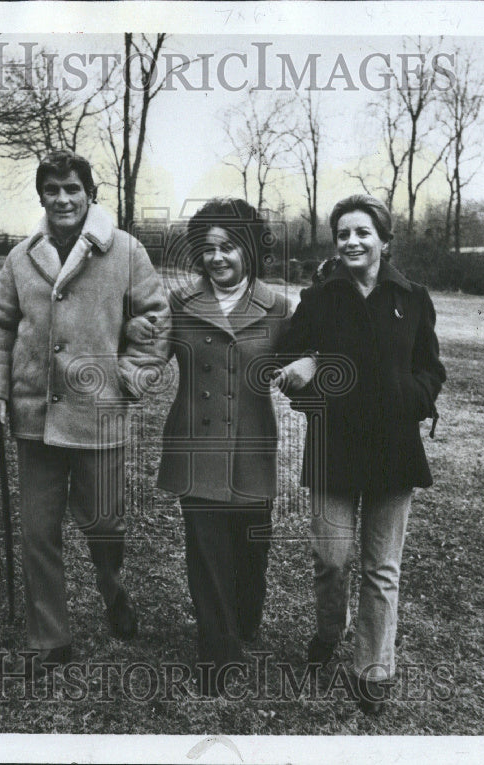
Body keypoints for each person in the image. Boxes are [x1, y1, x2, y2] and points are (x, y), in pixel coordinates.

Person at [0, 149, 170, 662]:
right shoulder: (22, 257)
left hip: (98, 414)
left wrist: (129, 376)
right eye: (52, 190)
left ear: (90, 194)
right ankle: (51, 636)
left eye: (72, 190)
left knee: (104, 523)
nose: (62, 199)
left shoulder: (125, 251)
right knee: (39, 531)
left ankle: (112, 588)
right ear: (41, 195)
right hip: (33, 416)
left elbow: (157, 318)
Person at [273, 194, 446, 715]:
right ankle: (330, 632)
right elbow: (286, 359)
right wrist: (306, 363)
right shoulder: (322, 296)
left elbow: (430, 370)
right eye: (343, 233)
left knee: (381, 568)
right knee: (331, 559)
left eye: (362, 233)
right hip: (334, 446)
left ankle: (373, 668)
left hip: (394, 449)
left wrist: (407, 398)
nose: (351, 241)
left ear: (384, 241)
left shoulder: (412, 297)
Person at [132, 198, 289, 696]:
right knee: (205, 551)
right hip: (195, 445)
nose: (218, 258)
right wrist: (131, 332)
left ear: (250, 250)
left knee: (250, 553)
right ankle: (218, 651)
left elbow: (310, 360)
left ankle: (242, 624)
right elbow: (145, 346)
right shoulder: (178, 304)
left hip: (252, 447)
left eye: (229, 247)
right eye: (208, 249)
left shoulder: (279, 307)